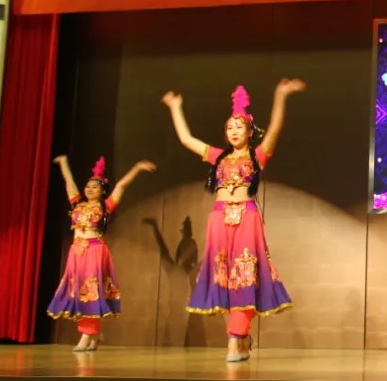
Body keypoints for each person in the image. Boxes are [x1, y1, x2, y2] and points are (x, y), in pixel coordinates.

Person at [161, 80, 304, 362]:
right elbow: (187, 140)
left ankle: (235, 339)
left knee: (244, 276)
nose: (234, 131)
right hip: (219, 218)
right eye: (229, 127)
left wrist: (280, 95)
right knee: (224, 278)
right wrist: (175, 107)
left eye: (239, 126)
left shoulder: (258, 156)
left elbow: (274, 130)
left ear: (250, 131)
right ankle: (240, 337)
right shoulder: (218, 157)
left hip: (247, 217)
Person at [47, 155, 156, 351]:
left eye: (95, 187)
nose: (90, 189)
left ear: (103, 191)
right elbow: (69, 182)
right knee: (78, 293)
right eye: (88, 186)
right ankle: (95, 334)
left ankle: (86, 335)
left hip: (94, 251)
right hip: (76, 253)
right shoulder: (77, 204)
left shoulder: (106, 206)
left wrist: (137, 168)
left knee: (91, 293)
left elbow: (122, 185)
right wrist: (64, 163)